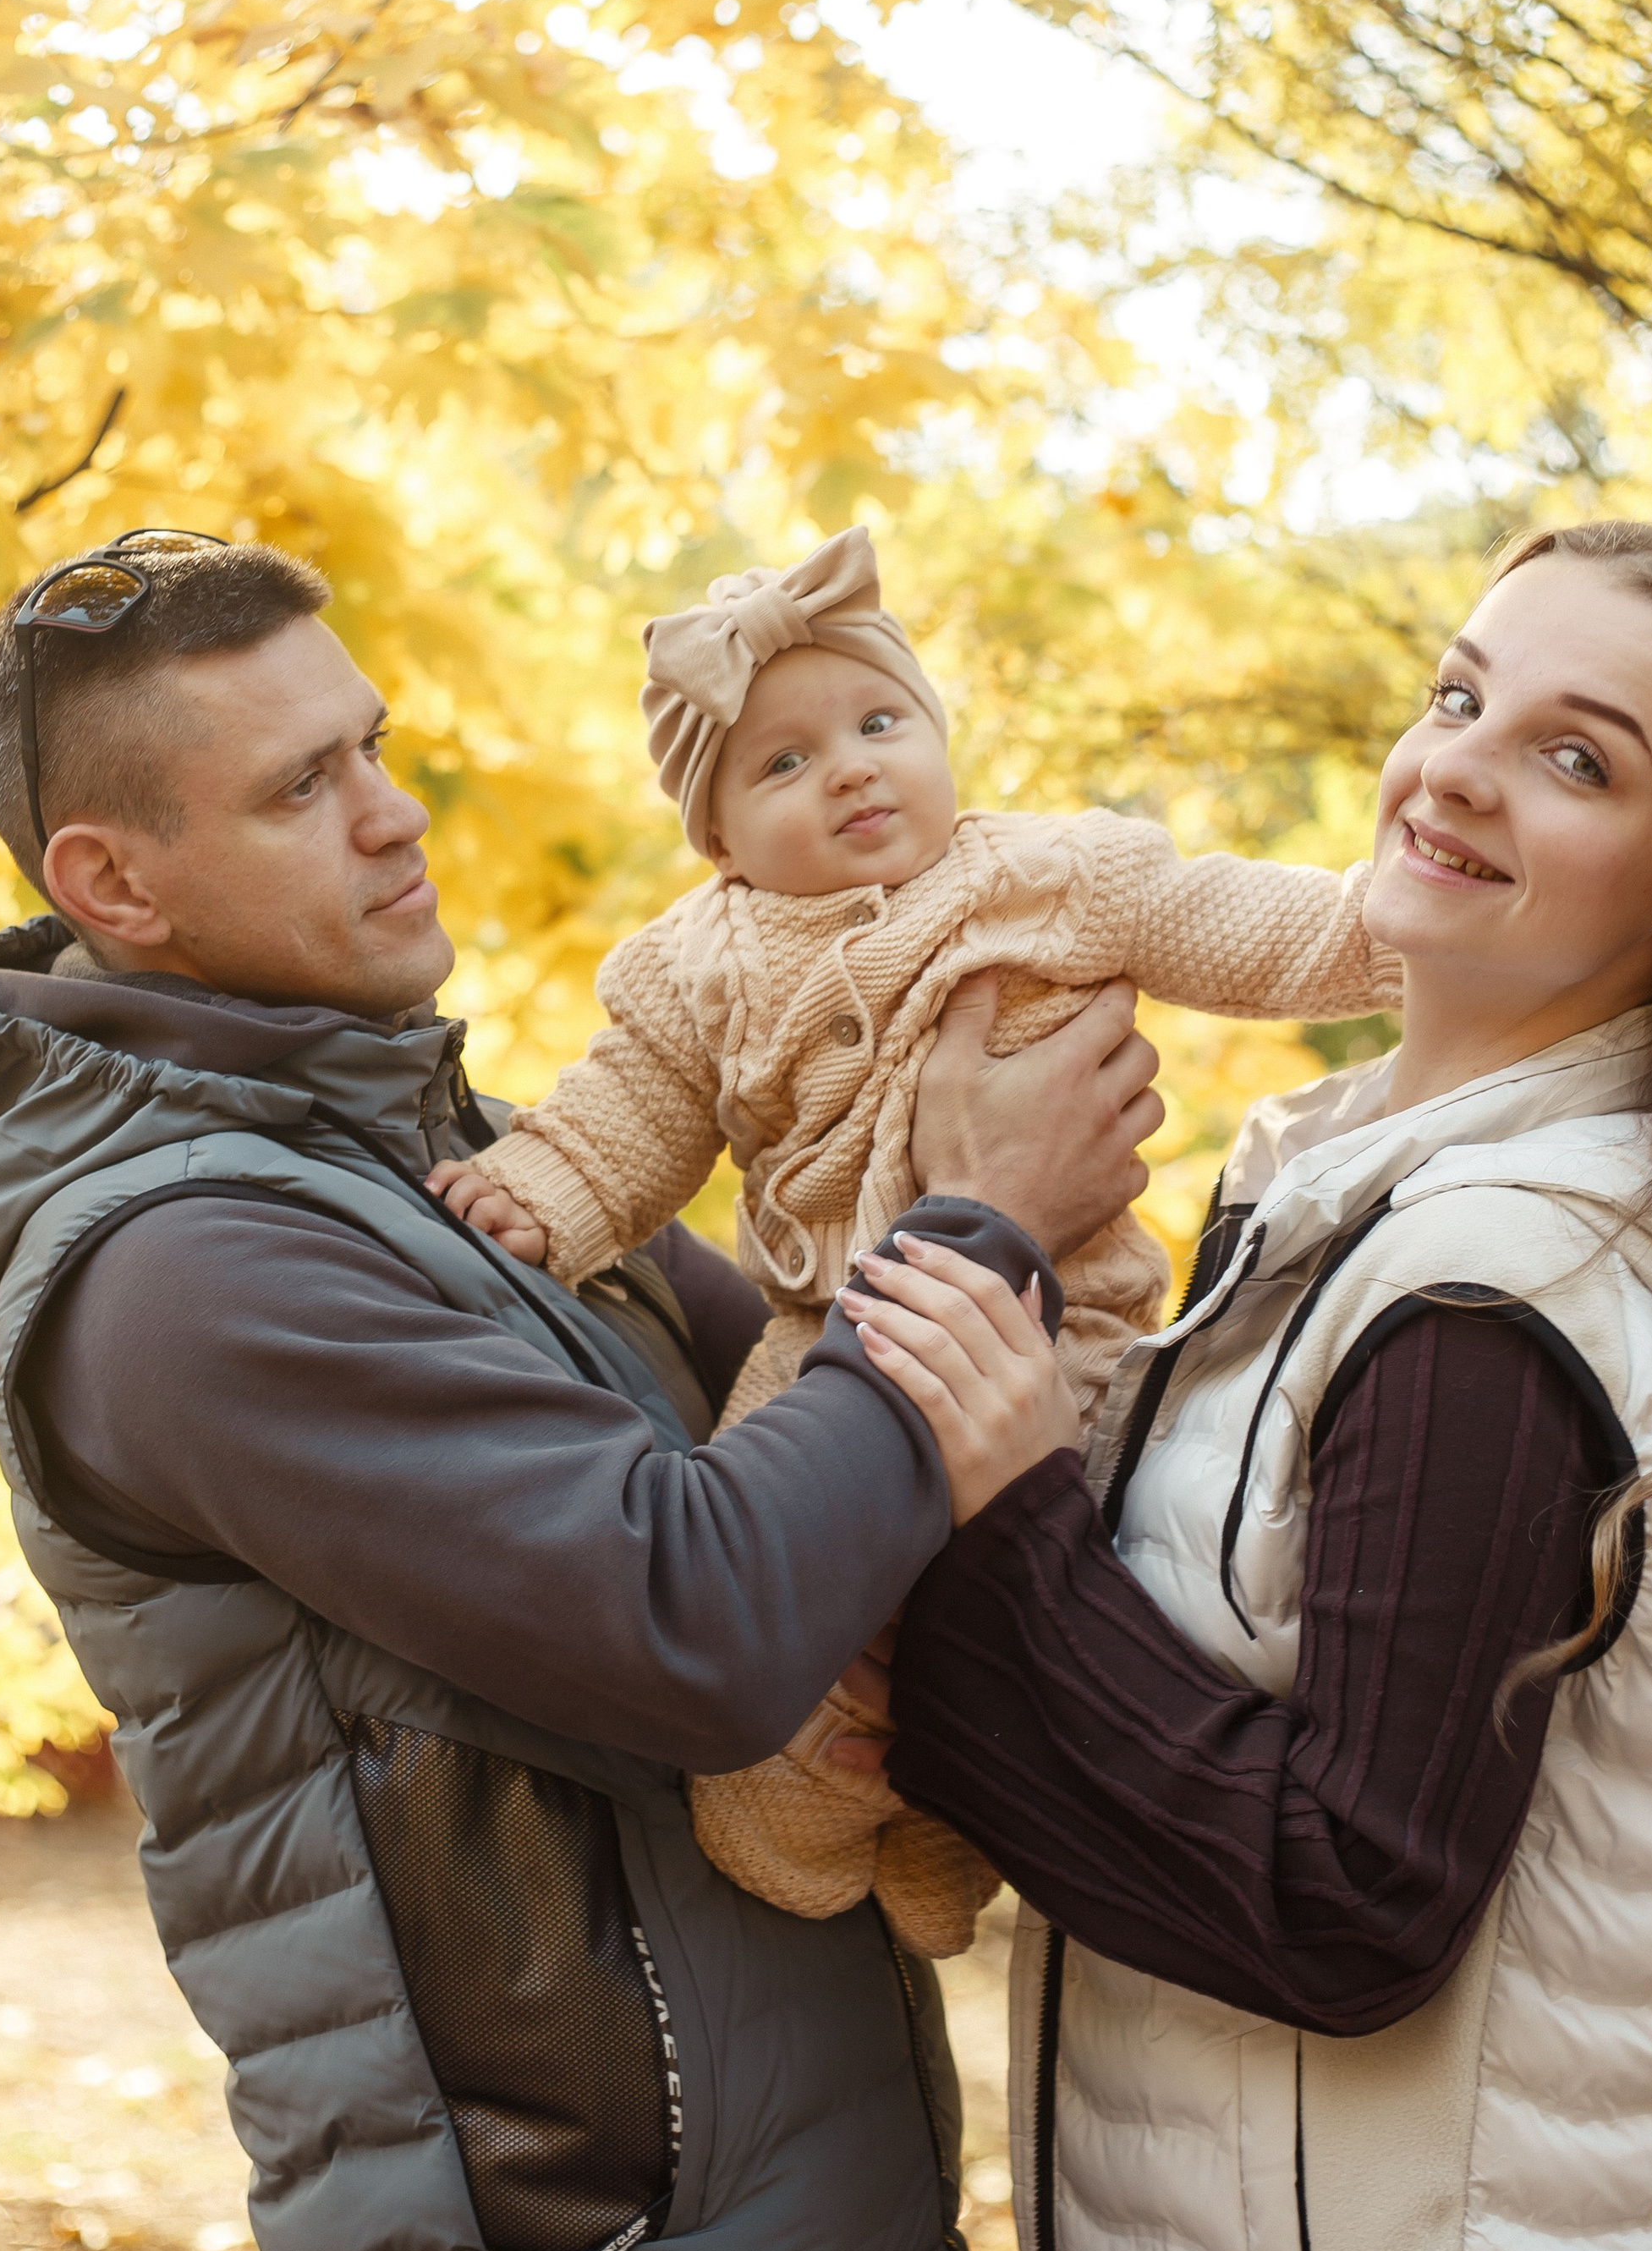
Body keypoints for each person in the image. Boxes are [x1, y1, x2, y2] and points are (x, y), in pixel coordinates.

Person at [0, 530, 1164, 2251]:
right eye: (301, 788)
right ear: (116, 886)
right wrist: (976, 1219)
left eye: (371, 747)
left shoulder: (447, 1166)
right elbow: (701, 1618)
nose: (393, 816)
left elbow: (818, 1427)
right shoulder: (190, 1272)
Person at [842, 521, 1652, 2251]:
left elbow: (1342, 1897)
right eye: (1458, 697)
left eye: (1573, 756)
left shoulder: (1484, 1298)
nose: (1455, 766)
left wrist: (1001, 1509)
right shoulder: (1373, 1211)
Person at [425, 522, 1397, 1959]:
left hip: (1058, 1332)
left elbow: (1244, 923)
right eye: (784, 763)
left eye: (880, 725)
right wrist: (554, 1187)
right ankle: (813, 1815)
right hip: (832, 1341)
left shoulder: (1052, 876)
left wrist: (1400, 932)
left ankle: (957, 1820)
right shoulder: (700, 963)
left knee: (1046, 1596)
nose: (851, 770)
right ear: (719, 840)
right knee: (782, 1616)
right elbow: (630, 1108)